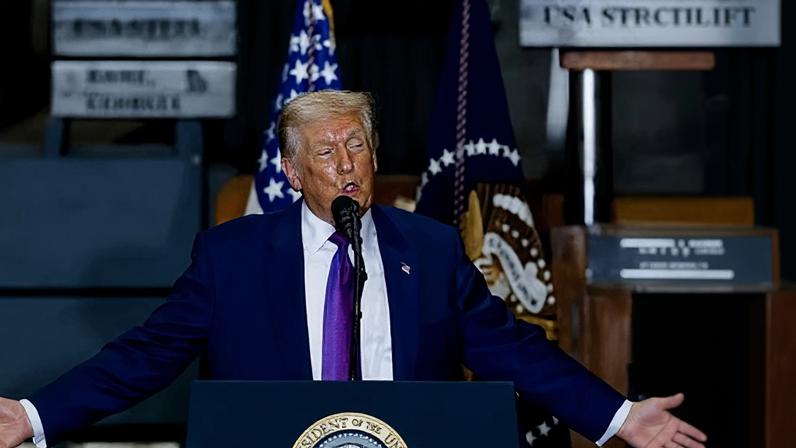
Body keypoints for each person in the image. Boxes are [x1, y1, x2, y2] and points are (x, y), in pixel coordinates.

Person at [0, 90, 706, 448]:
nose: (346, 164)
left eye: (357, 146)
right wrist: (34, 416)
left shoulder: (427, 251)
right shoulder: (234, 258)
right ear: (292, 171)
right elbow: (145, 356)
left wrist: (618, 418)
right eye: (326, 152)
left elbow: (513, 350)